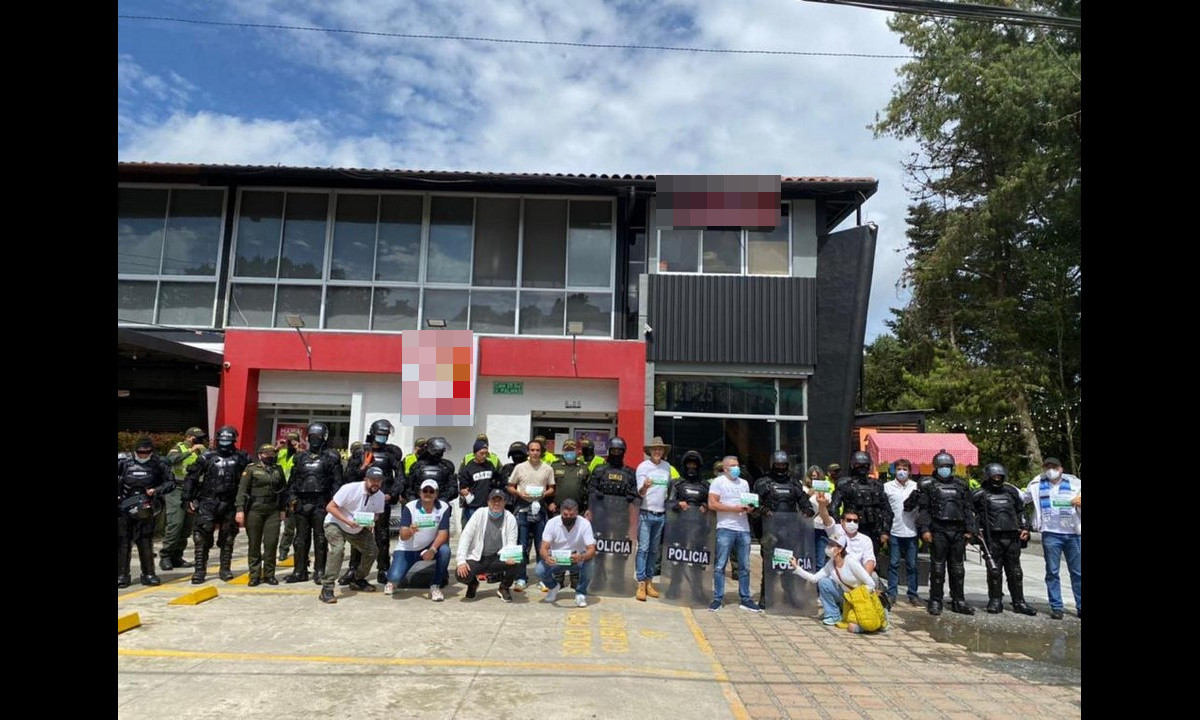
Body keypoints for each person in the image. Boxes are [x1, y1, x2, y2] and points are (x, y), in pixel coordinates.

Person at [910, 450, 977, 615]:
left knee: (958, 568)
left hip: (958, 531)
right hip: (938, 530)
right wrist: (925, 529)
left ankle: (958, 600)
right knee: (938, 568)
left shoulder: (961, 485)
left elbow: (968, 509)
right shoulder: (929, 485)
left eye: (948, 466)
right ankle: (935, 600)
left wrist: (970, 530)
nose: (945, 469)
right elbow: (923, 510)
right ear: (936, 467)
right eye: (942, 466)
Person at [184, 425, 251, 584]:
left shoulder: (242, 457)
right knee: (201, 537)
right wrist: (188, 499)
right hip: (208, 500)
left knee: (228, 537)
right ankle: (200, 571)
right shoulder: (206, 457)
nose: (225, 443)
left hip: (230, 502)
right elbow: (191, 477)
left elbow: (250, 480)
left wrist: (245, 504)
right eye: (222, 440)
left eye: (228, 440)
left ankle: (225, 569)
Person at [341, 419, 404, 585]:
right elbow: (349, 476)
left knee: (382, 536)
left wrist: (392, 494)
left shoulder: (392, 453)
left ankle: (383, 569)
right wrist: (362, 467)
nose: (383, 437)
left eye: (385, 435)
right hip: (363, 500)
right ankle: (354, 568)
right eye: (380, 434)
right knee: (358, 534)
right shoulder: (361, 452)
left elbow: (399, 476)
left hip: (383, 500)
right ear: (373, 433)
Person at [973, 463, 1037, 615]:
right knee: (994, 571)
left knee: (1015, 571)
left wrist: (1025, 528)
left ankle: (1019, 602)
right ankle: (995, 600)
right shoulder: (979, 494)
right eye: (994, 476)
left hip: (1012, 536)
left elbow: (1021, 511)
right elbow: (969, 513)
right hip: (992, 538)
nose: (997, 479)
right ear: (988, 477)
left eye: (999, 476)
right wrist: (974, 531)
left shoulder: (1011, 492)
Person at [284, 422, 343, 584]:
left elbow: (337, 483)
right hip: (302, 502)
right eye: (312, 437)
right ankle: (299, 571)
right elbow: (293, 481)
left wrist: (333, 503)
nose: (314, 440)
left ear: (324, 438)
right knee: (300, 539)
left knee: (321, 538)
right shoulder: (300, 457)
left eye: (317, 437)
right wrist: (291, 498)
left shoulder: (331, 458)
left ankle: (319, 570)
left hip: (321, 503)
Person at [319, 466, 387, 604]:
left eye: (379, 481)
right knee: (338, 550)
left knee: (372, 551)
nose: (376, 483)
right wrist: (347, 521)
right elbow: (330, 507)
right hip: (336, 523)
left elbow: (377, 515)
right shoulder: (349, 489)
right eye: (373, 480)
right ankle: (327, 587)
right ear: (365, 479)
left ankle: (357, 579)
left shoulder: (380, 496)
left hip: (357, 527)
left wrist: (369, 521)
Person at [755, 450, 815, 604]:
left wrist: (808, 510)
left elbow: (804, 502)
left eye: (783, 465)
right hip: (770, 531)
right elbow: (753, 504)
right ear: (772, 465)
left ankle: (788, 596)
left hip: (790, 531)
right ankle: (766, 597)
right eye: (778, 464)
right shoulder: (763, 483)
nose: (781, 467)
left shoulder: (794, 483)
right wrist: (763, 510)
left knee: (789, 565)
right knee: (769, 566)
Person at [1024, 457, 1080, 619]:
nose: (1050, 469)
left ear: (1061, 469)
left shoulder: (1075, 484)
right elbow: (1024, 498)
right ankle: (1056, 607)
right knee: (1052, 572)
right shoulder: (1037, 485)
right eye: (1047, 466)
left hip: (1073, 533)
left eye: (1054, 466)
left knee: (1077, 572)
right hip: (1051, 533)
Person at [707, 456, 763, 613]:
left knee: (744, 566)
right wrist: (734, 509)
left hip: (743, 529)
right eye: (732, 466)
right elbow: (712, 504)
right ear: (725, 468)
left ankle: (745, 598)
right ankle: (718, 598)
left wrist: (750, 508)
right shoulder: (718, 482)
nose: (736, 468)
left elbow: (748, 502)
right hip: (725, 528)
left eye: (737, 465)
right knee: (720, 565)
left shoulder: (744, 483)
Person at [788, 534, 877, 631]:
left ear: (840, 549)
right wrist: (796, 567)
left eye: (832, 545)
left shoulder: (851, 562)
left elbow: (871, 584)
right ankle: (833, 615)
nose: (828, 547)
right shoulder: (831, 563)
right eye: (828, 544)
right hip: (844, 596)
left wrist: (856, 595)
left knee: (853, 627)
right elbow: (814, 578)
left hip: (859, 599)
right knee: (824, 582)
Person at [118, 437, 173, 587]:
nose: (143, 455)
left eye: (146, 452)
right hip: (124, 507)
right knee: (123, 542)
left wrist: (157, 490)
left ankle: (148, 573)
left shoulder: (158, 464)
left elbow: (170, 482)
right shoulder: (123, 462)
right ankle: (122, 575)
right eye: (140, 452)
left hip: (146, 507)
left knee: (145, 541)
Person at [385, 479, 451, 601]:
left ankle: (435, 586)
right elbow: (403, 535)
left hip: (428, 547)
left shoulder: (443, 507)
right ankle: (394, 570)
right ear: (420, 492)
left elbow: (443, 533)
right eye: (425, 490)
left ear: (436, 494)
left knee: (445, 551)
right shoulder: (410, 507)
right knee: (394, 577)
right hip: (408, 549)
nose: (428, 493)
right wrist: (410, 531)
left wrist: (432, 549)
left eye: (431, 491)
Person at [507, 437, 556, 591]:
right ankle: (521, 577)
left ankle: (543, 578)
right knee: (522, 545)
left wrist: (543, 493)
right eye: (532, 450)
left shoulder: (547, 468)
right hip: (522, 509)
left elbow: (552, 488)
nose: (535, 453)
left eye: (537, 450)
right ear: (528, 452)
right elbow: (510, 486)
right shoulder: (520, 468)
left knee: (541, 545)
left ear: (541, 452)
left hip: (540, 509)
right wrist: (520, 494)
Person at [235, 444, 287, 586]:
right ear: (260, 455)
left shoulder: (278, 469)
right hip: (254, 510)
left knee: (271, 543)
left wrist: (283, 509)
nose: (270, 456)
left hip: (273, 510)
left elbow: (283, 491)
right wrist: (240, 509)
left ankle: (270, 574)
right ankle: (255, 575)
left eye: (272, 454)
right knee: (254, 543)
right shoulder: (251, 469)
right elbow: (242, 490)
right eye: (267, 454)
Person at [456, 489, 520, 602]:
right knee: (460, 573)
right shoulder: (479, 514)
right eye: (493, 500)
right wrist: (461, 561)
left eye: (499, 500)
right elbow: (466, 537)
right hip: (478, 558)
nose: (496, 503)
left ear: (504, 502)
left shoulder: (510, 518)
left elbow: (511, 541)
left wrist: (511, 556)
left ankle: (504, 587)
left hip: (497, 557)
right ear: (488, 502)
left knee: (519, 561)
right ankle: (473, 584)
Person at [830, 451, 892, 558]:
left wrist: (885, 531)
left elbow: (887, 510)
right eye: (859, 465)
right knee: (849, 559)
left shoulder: (877, 485)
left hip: (874, 529)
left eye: (865, 465)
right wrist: (839, 528)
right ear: (853, 466)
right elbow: (834, 507)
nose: (862, 468)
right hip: (851, 528)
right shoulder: (844, 484)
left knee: (872, 560)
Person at [633, 436, 674, 601]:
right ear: (650, 451)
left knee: (654, 550)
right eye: (654, 449)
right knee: (643, 549)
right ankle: (641, 582)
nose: (657, 451)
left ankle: (650, 581)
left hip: (661, 513)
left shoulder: (667, 467)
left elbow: (669, 490)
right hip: (645, 512)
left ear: (663, 451)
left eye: (660, 449)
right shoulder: (643, 467)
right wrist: (645, 486)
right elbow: (640, 492)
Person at [161, 427, 206, 571]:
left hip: (193, 491)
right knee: (176, 523)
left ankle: (177, 556)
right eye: (195, 437)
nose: (198, 440)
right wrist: (191, 451)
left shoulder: (202, 450)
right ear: (188, 437)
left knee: (187, 526)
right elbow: (171, 460)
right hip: (177, 490)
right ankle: (166, 555)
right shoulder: (178, 448)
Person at [537, 498, 596, 607]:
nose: (568, 517)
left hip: (577, 560)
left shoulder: (585, 524)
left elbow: (592, 549)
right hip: (557, 560)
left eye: (571, 515)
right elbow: (543, 547)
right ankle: (553, 587)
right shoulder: (552, 523)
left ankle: (581, 593)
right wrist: (546, 557)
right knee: (539, 570)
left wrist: (582, 557)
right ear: (561, 512)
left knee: (590, 563)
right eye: (565, 514)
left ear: (577, 513)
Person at [883, 458, 921, 606]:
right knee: (893, 564)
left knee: (912, 565)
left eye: (905, 469)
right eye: (899, 469)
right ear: (894, 470)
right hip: (894, 531)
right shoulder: (887, 487)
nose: (902, 472)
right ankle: (892, 593)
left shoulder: (916, 487)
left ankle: (913, 594)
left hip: (911, 531)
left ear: (909, 471)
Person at [458, 439, 498, 529]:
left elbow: (495, 481)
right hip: (472, 507)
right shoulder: (468, 468)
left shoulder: (490, 465)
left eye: (486, 453)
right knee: (471, 533)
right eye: (481, 453)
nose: (484, 456)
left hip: (488, 506)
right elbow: (462, 488)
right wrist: (464, 492)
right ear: (475, 453)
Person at [407, 436, 457, 506]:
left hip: (440, 504)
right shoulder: (417, 466)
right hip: (420, 504)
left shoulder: (447, 466)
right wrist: (414, 501)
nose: (440, 453)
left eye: (441, 451)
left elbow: (453, 487)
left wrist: (443, 499)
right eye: (438, 451)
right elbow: (409, 487)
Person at [276, 431, 303, 561]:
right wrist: (276, 448)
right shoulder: (281, 453)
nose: (291, 443)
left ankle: (299, 551)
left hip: (296, 493)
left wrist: (299, 450)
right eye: (289, 440)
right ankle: (283, 550)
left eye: (294, 440)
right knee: (287, 526)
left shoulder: (302, 454)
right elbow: (268, 462)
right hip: (282, 493)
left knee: (296, 525)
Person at [549, 439, 589, 518]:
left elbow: (589, 489)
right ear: (563, 451)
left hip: (578, 511)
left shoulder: (584, 467)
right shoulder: (555, 466)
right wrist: (549, 502)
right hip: (558, 510)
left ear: (577, 451)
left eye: (572, 450)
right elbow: (549, 485)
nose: (569, 452)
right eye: (567, 450)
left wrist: (588, 508)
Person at [804, 465, 831, 566]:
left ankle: (819, 581)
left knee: (820, 559)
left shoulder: (825, 489)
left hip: (821, 527)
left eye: (816, 477)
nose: (814, 479)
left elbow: (828, 503)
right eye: (812, 477)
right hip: (807, 527)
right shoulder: (804, 489)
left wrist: (819, 494)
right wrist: (808, 495)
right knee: (806, 558)